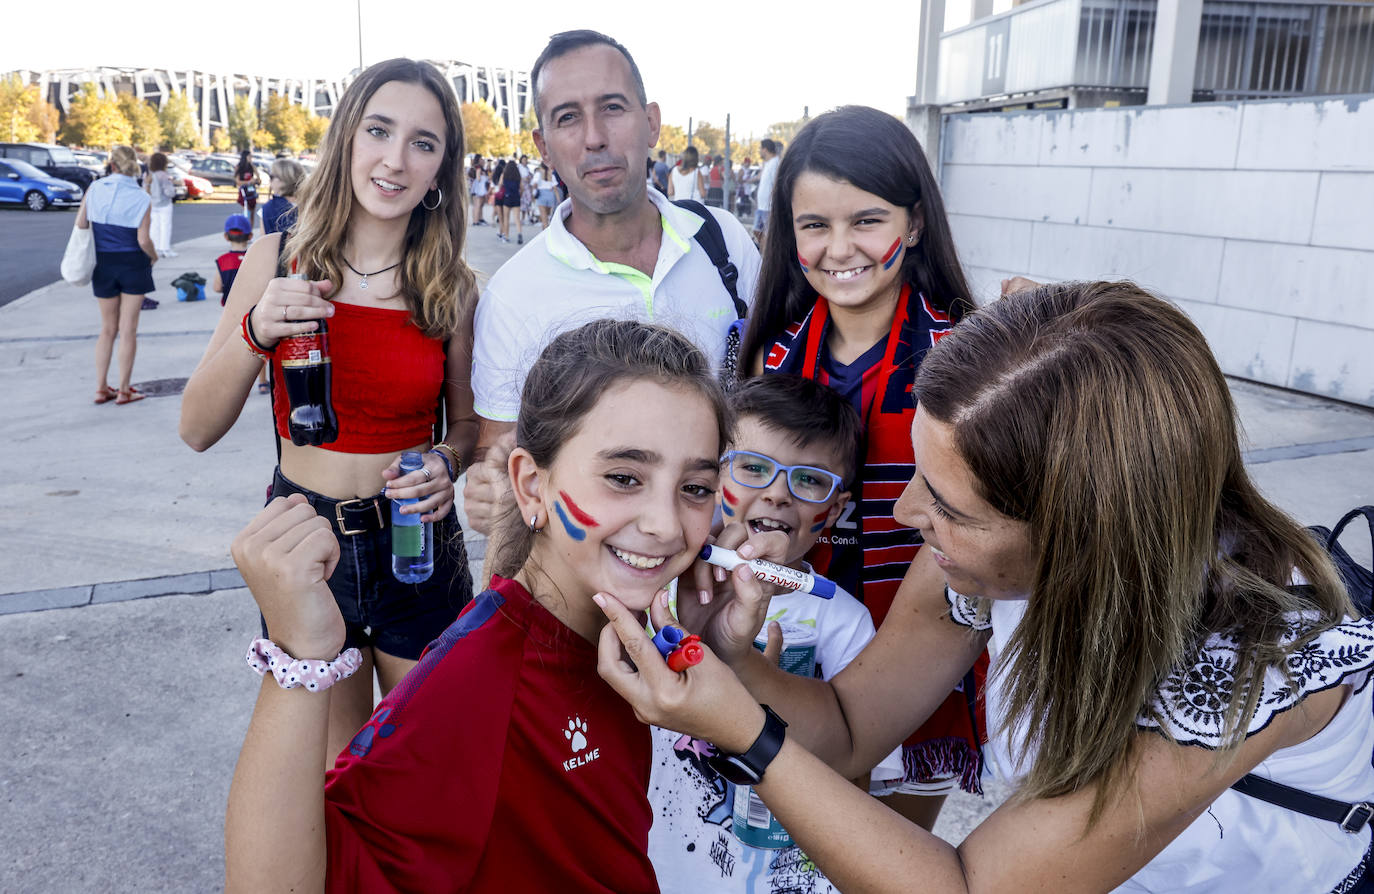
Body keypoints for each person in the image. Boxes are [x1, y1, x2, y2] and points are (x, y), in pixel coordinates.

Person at [599, 280, 1374, 892]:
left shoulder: (1253, 663)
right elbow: (850, 722)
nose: (907, 515)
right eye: (918, 478)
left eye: (944, 504)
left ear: (1077, 533)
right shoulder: (975, 559)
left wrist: (746, 733)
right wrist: (742, 666)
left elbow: (968, 886)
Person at [225, 319, 726, 892]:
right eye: (622, 477)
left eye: (695, 488)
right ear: (533, 486)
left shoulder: (643, 629)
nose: (664, 525)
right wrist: (299, 656)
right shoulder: (479, 674)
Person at [179, 58, 479, 763]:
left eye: (423, 143)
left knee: (424, 762)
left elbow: (467, 429)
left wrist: (447, 461)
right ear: (347, 137)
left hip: (417, 545)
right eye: (379, 130)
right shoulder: (276, 258)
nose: (395, 160)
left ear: (441, 169)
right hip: (304, 544)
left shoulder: (452, 288)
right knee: (332, 776)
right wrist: (258, 327)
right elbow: (195, 428)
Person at [733, 105, 980, 830]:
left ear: (915, 223)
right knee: (782, 845)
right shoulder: (767, 358)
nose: (840, 248)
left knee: (884, 851)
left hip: (920, 652)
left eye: (866, 221)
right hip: (785, 634)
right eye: (814, 225)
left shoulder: (969, 360)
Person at [464, 30, 760, 540]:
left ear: (652, 124)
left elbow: (766, 393)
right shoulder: (514, 293)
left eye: (613, 108)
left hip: (727, 566)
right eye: (568, 117)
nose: (594, 136)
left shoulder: (723, 242)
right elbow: (502, 465)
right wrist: (490, 490)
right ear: (545, 147)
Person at [649, 374, 904, 892]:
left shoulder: (845, 622)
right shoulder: (662, 587)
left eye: (809, 481)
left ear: (832, 512)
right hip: (663, 864)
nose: (778, 494)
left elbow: (860, 781)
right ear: (717, 482)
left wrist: (764, 688)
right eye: (753, 468)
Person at [78, 144, 156, 405]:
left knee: (107, 329)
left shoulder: (95, 189)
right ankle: (124, 389)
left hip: (103, 262)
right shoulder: (142, 196)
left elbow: (80, 224)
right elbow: (143, 240)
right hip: (133, 262)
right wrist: (153, 256)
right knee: (128, 329)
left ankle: (101, 388)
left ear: (111, 165)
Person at [259, 158, 304, 237]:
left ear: (284, 179)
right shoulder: (313, 203)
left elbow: (264, 242)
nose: (270, 181)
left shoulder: (268, 208)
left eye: (271, 177)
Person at [145, 152, 177, 258]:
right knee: (165, 226)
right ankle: (165, 249)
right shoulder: (164, 176)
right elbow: (169, 192)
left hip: (152, 204)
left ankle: (156, 248)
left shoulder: (148, 175)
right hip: (164, 204)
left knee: (154, 226)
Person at [752, 139, 779, 241]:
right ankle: (764, 255)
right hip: (761, 206)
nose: (759, 151)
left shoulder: (775, 163)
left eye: (760, 149)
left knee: (769, 234)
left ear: (765, 149)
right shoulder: (767, 163)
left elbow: (776, 184)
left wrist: (774, 204)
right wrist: (746, 180)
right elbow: (759, 177)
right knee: (757, 231)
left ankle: (769, 255)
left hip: (769, 207)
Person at [497, 153, 524, 244]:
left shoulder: (504, 175)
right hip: (516, 197)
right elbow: (522, 188)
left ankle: (506, 236)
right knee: (517, 218)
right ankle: (519, 233)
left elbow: (500, 185)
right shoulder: (518, 176)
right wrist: (520, 194)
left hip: (507, 197)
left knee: (506, 218)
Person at [235, 149, 259, 220]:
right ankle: (246, 228)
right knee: (247, 210)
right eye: (250, 156)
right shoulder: (239, 167)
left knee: (252, 212)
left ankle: (250, 230)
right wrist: (248, 182)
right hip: (244, 191)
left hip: (252, 190)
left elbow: (258, 179)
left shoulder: (252, 167)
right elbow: (237, 181)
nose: (251, 158)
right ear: (245, 157)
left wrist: (256, 180)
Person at [533, 161, 558, 228]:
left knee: (544, 219)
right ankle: (544, 233)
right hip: (550, 195)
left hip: (541, 195)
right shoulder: (551, 175)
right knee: (548, 216)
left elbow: (534, 184)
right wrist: (559, 200)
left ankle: (545, 235)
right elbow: (555, 188)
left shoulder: (538, 174)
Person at [468, 154, 488, 225]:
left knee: (477, 205)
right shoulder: (478, 168)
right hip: (478, 190)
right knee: (478, 205)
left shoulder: (474, 167)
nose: (482, 160)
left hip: (475, 189)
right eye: (481, 159)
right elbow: (478, 178)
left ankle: (478, 219)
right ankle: (476, 221)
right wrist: (483, 176)